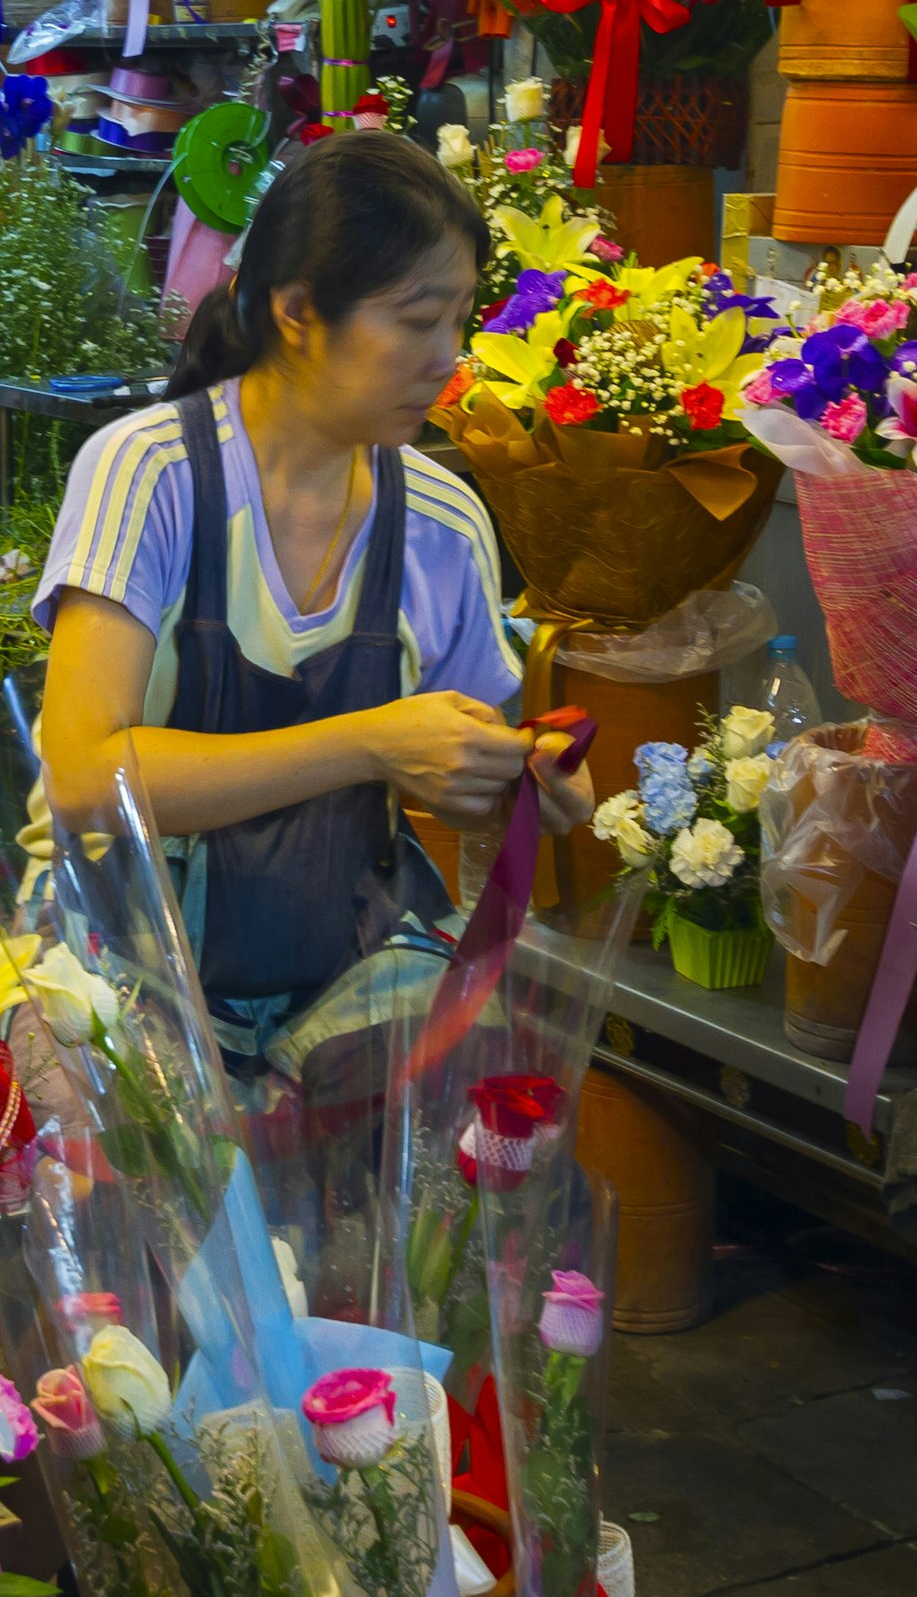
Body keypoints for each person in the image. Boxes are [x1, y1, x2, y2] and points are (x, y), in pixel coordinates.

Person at [33, 129, 587, 1072]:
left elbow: (448, 787)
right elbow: (87, 780)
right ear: (295, 311)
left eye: (461, 320)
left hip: (344, 981)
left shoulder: (444, 520)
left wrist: (516, 781)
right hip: (115, 977)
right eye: (416, 321)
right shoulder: (150, 474)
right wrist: (366, 742)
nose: (447, 357)